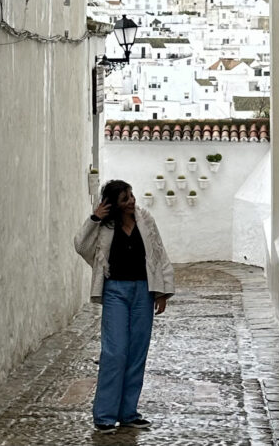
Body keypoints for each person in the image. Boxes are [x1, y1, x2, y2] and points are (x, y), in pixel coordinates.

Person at [74, 179, 175, 433]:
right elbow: (81, 246)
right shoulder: (104, 227)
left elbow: (158, 253)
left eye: (131, 195)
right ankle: (105, 415)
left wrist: (161, 292)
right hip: (115, 291)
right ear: (114, 205)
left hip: (143, 290)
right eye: (125, 199)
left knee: (137, 352)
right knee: (115, 352)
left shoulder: (145, 219)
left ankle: (128, 412)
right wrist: (94, 218)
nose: (132, 201)